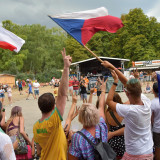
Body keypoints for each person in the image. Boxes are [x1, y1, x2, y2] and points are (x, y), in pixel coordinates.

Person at [102, 61, 153, 159]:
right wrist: (112, 67)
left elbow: (108, 101)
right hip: (147, 150)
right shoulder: (146, 101)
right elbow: (127, 83)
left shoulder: (129, 110)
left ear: (127, 94)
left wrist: (115, 82)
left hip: (135, 154)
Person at [33, 48, 72, 160]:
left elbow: (39, 149)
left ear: (40, 107)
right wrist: (66, 68)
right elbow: (62, 95)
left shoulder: (36, 127)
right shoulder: (53, 120)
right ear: (54, 106)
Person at [68, 79, 108, 160]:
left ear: (81, 118)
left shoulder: (77, 137)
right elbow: (101, 106)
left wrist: (71, 140)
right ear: (96, 114)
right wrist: (103, 91)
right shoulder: (101, 125)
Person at [106, 92, 125, 159]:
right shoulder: (123, 111)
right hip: (124, 142)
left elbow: (107, 129)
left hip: (112, 142)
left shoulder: (107, 113)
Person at [151, 82, 160, 160]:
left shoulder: (153, 103)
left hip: (157, 129)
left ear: (153, 91)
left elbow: (151, 119)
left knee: (157, 148)